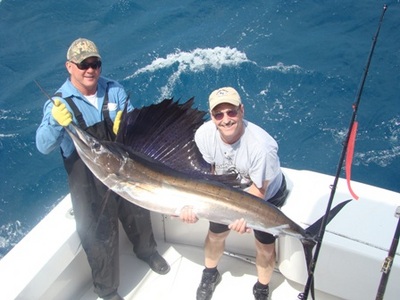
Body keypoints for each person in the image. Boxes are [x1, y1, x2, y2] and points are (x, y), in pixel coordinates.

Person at [36, 38, 170, 300]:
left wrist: (128, 125)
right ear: (70, 67)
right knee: (98, 235)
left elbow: (134, 127)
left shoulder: (114, 90)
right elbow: (43, 146)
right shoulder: (58, 104)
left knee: (138, 212)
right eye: (83, 64)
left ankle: (147, 252)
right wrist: (54, 121)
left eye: (95, 63)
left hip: (122, 171)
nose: (90, 69)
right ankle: (107, 291)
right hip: (88, 182)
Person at [180, 87, 288, 300]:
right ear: (212, 117)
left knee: (264, 245)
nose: (226, 119)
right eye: (218, 114)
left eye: (231, 112)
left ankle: (262, 287)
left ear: (242, 110)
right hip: (227, 192)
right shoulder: (203, 134)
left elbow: (259, 192)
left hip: (265, 197)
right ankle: (210, 273)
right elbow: (210, 173)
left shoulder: (262, 148)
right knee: (215, 234)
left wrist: (242, 217)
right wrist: (191, 207)